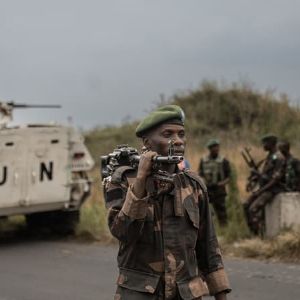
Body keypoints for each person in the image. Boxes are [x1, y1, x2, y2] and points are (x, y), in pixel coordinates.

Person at [104, 105, 231, 300]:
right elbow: (123, 232)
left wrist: (221, 295)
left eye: (181, 134)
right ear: (147, 143)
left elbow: (209, 246)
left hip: (186, 294)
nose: (178, 141)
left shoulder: (194, 185)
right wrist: (141, 181)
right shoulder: (122, 181)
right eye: (168, 134)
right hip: (141, 293)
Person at [244, 134, 286, 235]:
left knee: (253, 209)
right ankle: (254, 233)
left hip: (273, 189)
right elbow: (264, 175)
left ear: (272, 144)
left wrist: (260, 190)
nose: (263, 145)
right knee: (245, 205)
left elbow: (274, 180)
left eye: (265, 143)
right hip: (265, 188)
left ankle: (259, 235)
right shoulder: (270, 157)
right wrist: (253, 179)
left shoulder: (279, 158)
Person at [198, 140, 231, 226]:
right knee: (205, 210)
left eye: (217, 147)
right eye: (214, 147)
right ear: (210, 149)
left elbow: (229, 176)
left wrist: (222, 183)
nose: (216, 149)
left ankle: (224, 229)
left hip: (219, 189)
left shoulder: (223, 161)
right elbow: (200, 173)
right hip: (207, 189)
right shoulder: (203, 160)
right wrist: (203, 181)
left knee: (221, 211)